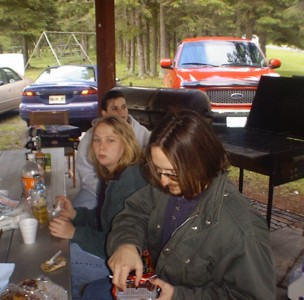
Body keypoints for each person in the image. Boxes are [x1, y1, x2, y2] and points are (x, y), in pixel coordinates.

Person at [105, 110, 275, 299]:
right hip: (151, 285)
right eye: (158, 170)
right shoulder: (167, 187)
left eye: (172, 173)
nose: (162, 181)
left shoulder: (242, 230)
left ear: (202, 162)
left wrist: (179, 296)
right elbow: (134, 213)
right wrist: (127, 244)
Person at [48, 115, 147, 298]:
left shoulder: (129, 182)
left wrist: (74, 233)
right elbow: (105, 219)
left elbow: (117, 243)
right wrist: (75, 215)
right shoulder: (111, 172)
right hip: (110, 250)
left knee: (63, 258)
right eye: (97, 140)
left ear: (126, 144)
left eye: (110, 140)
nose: (101, 146)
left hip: (130, 265)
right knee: (63, 249)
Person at [73, 89, 150, 209]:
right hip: (95, 189)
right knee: (76, 212)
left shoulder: (143, 133)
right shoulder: (91, 135)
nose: (121, 112)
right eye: (114, 109)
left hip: (129, 191)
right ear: (104, 113)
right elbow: (85, 172)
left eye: (123, 107)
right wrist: (106, 191)